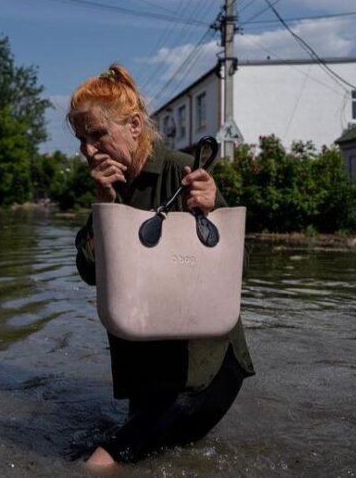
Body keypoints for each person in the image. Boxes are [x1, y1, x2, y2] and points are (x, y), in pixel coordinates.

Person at [69, 64, 254, 468]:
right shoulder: (112, 185)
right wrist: (103, 203)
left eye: (97, 134)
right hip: (148, 370)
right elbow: (88, 272)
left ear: (135, 125)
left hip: (202, 369)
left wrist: (212, 206)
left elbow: (238, 270)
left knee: (100, 464)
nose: (87, 149)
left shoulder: (182, 170)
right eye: (81, 139)